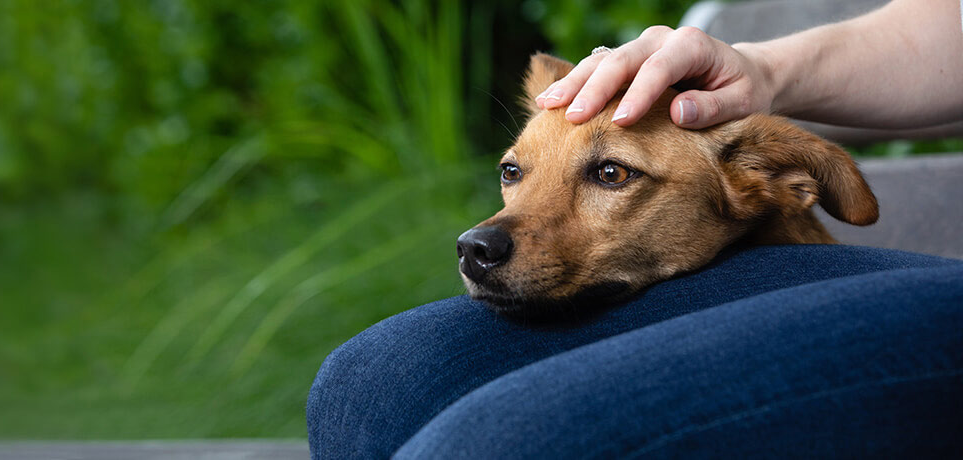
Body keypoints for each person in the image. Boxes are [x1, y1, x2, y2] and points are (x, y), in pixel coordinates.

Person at [306, 0, 963, 458]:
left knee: (505, 439)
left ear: (764, 178)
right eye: (515, 172)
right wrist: (762, 69)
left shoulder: (746, 174)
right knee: (365, 383)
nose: (492, 232)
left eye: (611, 175)